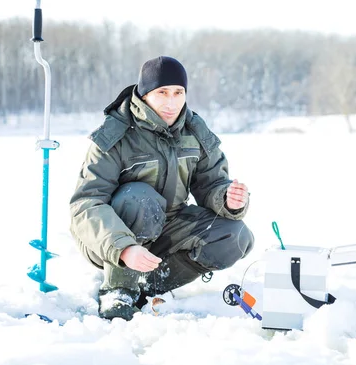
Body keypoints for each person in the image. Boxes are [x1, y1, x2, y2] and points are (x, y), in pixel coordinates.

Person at [70, 56, 254, 321]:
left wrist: (227, 199)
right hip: (114, 237)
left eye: (178, 93)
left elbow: (211, 183)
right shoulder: (115, 135)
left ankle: (151, 285)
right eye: (162, 93)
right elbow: (85, 205)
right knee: (139, 198)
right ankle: (120, 288)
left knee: (235, 236)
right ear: (145, 95)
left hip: (168, 225)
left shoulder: (194, 131)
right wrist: (123, 248)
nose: (171, 102)